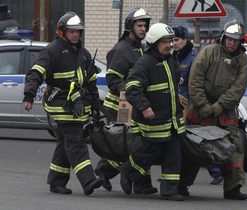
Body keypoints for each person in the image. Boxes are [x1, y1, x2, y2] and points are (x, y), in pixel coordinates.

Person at [22, 12, 103, 196]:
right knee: (76, 142)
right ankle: (88, 180)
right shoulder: (52, 50)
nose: (76, 35)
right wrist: (29, 95)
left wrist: (96, 107)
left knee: (64, 143)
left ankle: (57, 181)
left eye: (78, 32)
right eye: (72, 31)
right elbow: (36, 73)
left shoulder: (83, 53)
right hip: (61, 104)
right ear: (62, 31)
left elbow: (90, 83)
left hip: (78, 105)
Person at [180, 19, 247, 200]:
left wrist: (220, 106)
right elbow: (195, 80)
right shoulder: (208, 52)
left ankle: (233, 188)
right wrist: (202, 105)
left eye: (236, 40)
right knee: (193, 148)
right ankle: (181, 185)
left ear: (240, 41)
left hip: (225, 112)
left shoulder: (243, 60)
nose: (232, 43)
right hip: (199, 110)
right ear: (223, 37)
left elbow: (239, 88)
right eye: (229, 38)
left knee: (233, 149)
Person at [119, 23, 186, 201]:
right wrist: (144, 106)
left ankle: (169, 190)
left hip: (171, 120)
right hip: (154, 121)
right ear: (154, 43)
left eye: (170, 41)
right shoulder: (145, 63)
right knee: (151, 153)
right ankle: (128, 170)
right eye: (165, 41)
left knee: (174, 154)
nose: (169, 45)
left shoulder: (170, 61)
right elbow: (132, 89)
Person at [94, 8, 157, 194]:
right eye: (139, 25)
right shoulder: (120, 50)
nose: (143, 29)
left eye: (145, 25)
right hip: (119, 107)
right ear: (130, 26)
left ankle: (141, 183)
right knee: (127, 146)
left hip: (135, 105)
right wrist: (131, 93)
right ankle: (105, 171)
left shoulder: (141, 48)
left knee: (138, 142)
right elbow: (113, 80)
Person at [171, 25, 223, 187]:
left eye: (177, 40)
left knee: (195, 143)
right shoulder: (175, 57)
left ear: (186, 40)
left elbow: (195, 84)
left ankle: (216, 172)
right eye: (172, 40)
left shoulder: (192, 58)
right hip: (176, 106)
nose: (174, 43)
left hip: (190, 108)